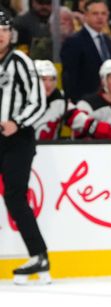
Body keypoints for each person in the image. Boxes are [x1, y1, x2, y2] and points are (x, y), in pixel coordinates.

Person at [0, 12, 50, 284]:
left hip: (17, 139)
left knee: (15, 196)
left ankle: (39, 255)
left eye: (4, 29)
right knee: (13, 198)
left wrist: (17, 123)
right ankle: (38, 255)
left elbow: (38, 101)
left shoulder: (20, 61)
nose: (0, 34)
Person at [32, 59, 111, 140]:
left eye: (52, 79)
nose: (48, 84)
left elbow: (83, 122)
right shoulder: (20, 102)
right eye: (43, 79)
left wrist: (106, 130)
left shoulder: (60, 102)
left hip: (49, 151)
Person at [60, 0, 111, 102]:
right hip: (83, 101)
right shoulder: (74, 42)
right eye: (95, 13)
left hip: (106, 100)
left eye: (103, 13)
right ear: (85, 16)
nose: (100, 17)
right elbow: (69, 77)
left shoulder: (108, 41)